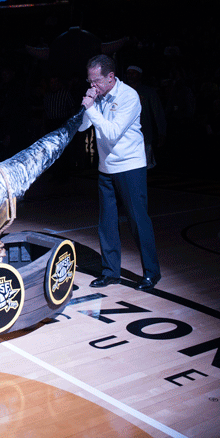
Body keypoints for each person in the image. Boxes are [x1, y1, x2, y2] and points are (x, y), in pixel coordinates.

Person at [79, 55, 161, 291]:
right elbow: (84, 126)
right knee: (106, 223)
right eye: (89, 80)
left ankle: (152, 273)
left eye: (96, 81)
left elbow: (113, 133)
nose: (92, 85)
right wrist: (88, 104)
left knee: (138, 221)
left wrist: (92, 110)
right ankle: (110, 272)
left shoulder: (129, 97)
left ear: (111, 77)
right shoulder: (99, 96)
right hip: (106, 168)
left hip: (130, 167)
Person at [125, 65, 166, 169]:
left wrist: (161, 132)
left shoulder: (148, 92)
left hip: (144, 134)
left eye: (133, 73)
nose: (130, 75)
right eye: (128, 73)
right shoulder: (123, 90)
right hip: (125, 135)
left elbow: (158, 112)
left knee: (144, 164)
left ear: (139, 75)